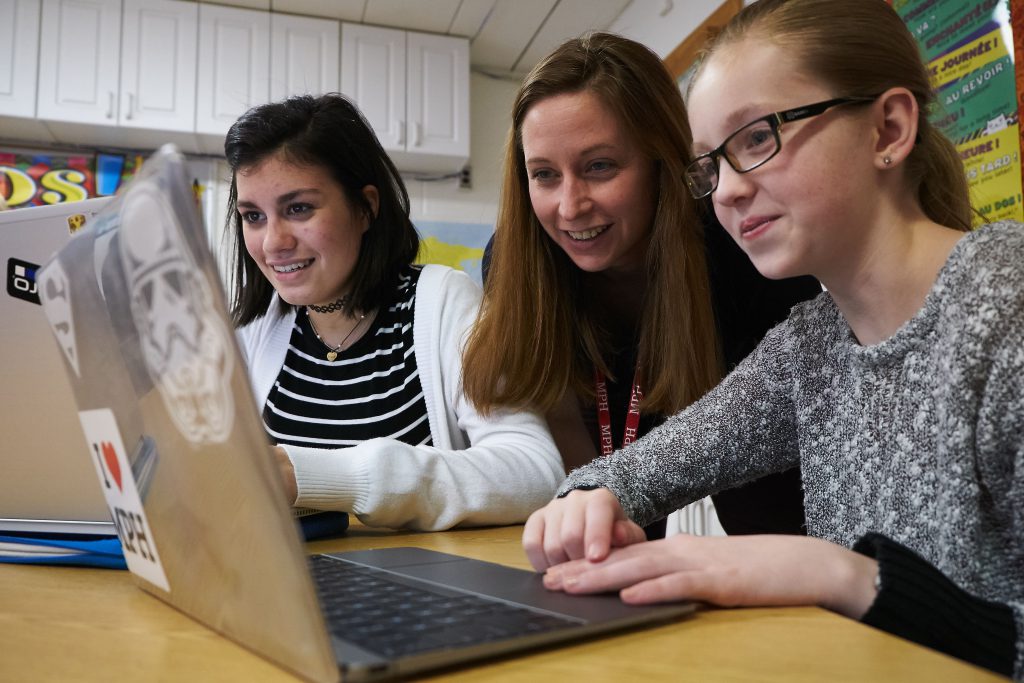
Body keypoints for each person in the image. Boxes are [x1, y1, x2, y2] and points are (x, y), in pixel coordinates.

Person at [521, 0, 1023, 677]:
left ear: (889, 127)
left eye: (756, 138)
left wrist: (844, 576)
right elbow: (633, 472)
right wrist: (587, 499)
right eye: (710, 165)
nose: (725, 190)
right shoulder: (809, 347)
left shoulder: (1006, 304)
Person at [461, 32, 821, 538]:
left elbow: (776, 493)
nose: (570, 206)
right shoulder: (519, 262)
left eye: (599, 166)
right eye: (544, 175)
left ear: (662, 162)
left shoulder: (742, 252)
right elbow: (570, 454)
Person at [223, 93, 565, 531]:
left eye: (299, 208)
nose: (273, 242)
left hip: (418, 584)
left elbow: (534, 474)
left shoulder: (442, 302)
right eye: (253, 216)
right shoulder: (256, 330)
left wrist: (334, 478)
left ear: (366, 207)